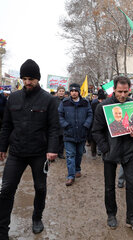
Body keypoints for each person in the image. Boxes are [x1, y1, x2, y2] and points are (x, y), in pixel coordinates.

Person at [0, 59, 59, 238]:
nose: (27, 82)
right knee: (6, 189)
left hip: (39, 153)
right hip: (16, 153)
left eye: (31, 79)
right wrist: (2, 147)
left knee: (40, 188)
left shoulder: (49, 100)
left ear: (38, 79)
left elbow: (54, 128)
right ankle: (2, 229)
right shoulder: (14, 98)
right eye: (24, 78)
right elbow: (6, 125)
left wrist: (52, 149)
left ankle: (37, 218)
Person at [92, 76, 133, 232]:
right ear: (114, 89)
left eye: (125, 92)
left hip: (128, 152)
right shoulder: (103, 107)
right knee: (109, 187)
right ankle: (111, 214)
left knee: (132, 185)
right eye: (120, 91)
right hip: (110, 153)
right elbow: (96, 131)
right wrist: (106, 149)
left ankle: (132, 218)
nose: (122, 95)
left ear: (129, 90)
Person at [58, 83, 93, 186]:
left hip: (82, 133)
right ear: (70, 92)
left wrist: (86, 125)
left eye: (75, 91)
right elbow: (59, 115)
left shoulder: (85, 102)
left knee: (79, 154)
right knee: (70, 155)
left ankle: (77, 169)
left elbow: (90, 114)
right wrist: (65, 125)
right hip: (69, 134)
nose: (73, 93)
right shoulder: (65, 103)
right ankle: (70, 176)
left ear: (79, 92)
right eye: (72, 91)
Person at [90, 89, 106, 158]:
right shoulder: (93, 104)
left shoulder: (106, 104)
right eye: (100, 99)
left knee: (102, 138)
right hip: (95, 123)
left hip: (103, 124)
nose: (101, 101)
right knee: (94, 139)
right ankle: (94, 152)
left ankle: (101, 151)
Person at [55, 86, 66, 159]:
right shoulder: (53, 100)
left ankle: (60, 153)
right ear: (57, 92)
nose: (61, 92)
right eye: (60, 91)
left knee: (62, 139)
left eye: (62, 91)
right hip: (55, 122)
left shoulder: (67, 100)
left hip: (63, 122)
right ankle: (54, 153)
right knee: (55, 139)